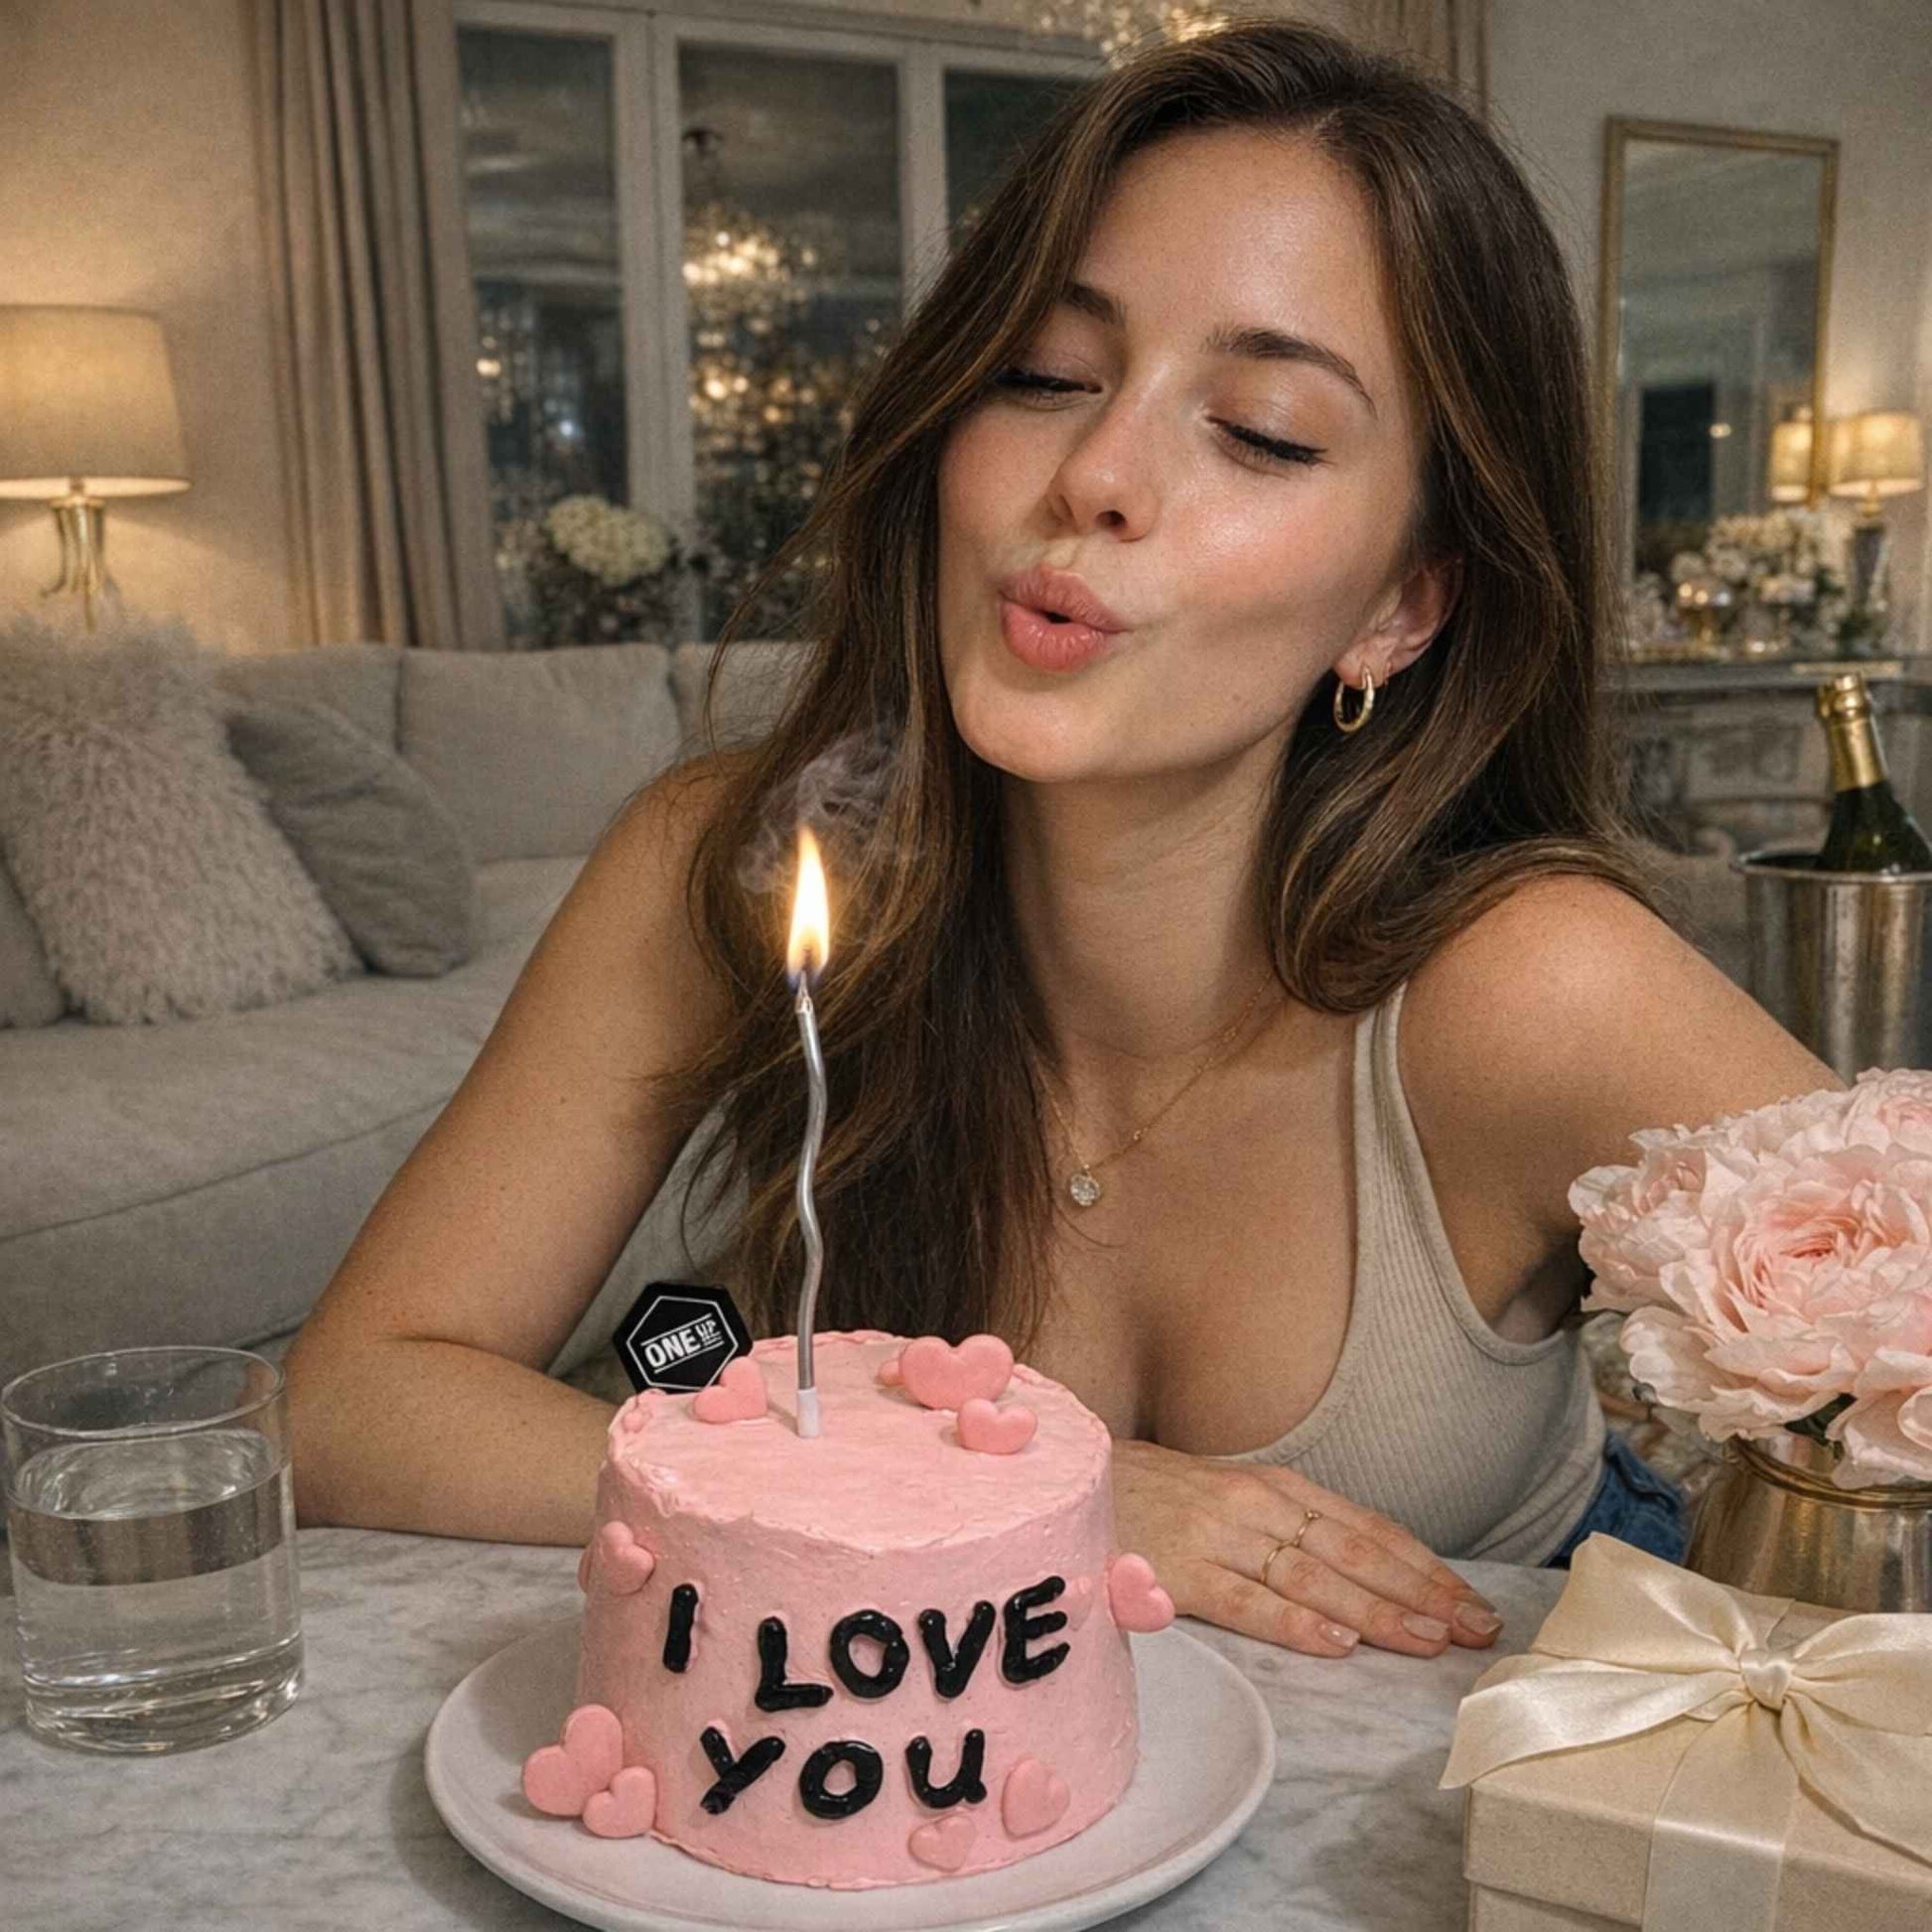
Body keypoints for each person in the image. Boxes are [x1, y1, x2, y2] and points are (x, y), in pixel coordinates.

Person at [284, 19, 1837, 1663]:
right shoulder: (728, 868)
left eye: (1259, 429)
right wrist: (1006, 1478)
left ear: (1397, 603)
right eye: (1042, 372)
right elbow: (348, 1403)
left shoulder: (1530, 983)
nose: (1093, 472)